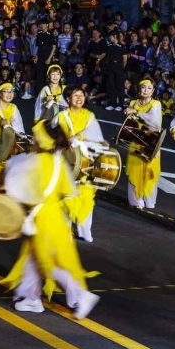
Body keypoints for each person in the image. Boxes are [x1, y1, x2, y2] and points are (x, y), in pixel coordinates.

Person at [0, 119, 99, 319]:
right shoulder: (58, 163)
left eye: (35, 134)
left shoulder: (32, 162)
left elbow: (12, 184)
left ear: (41, 140)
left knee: (47, 262)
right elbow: (68, 192)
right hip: (56, 217)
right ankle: (31, 297)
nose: (33, 138)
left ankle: (81, 295)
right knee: (33, 258)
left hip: (41, 219)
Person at [55, 85, 106, 242]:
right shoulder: (61, 117)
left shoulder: (89, 116)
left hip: (85, 163)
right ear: (68, 99)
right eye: (75, 95)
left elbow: (97, 140)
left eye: (81, 95)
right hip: (66, 164)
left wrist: (81, 139)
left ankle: (84, 231)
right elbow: (53, 140)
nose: (79, 98)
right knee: (65, 197)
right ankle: (64, 230)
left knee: (86, 196)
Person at [124, 77, 163, 209]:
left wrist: (136, 112)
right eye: (143, 87)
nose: (145, 90)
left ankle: (149, 199)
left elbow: (154, 123)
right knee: (135, 170)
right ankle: (136, 200)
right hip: (135, 143)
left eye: (149, 88)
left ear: (153, 91)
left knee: (150, 171)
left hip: (151, 142)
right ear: (139, 89)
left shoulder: (155, 104)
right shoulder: (133, 103)